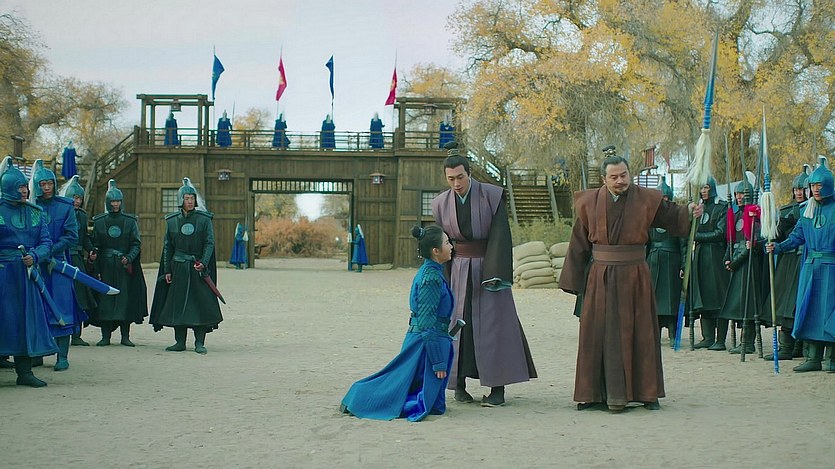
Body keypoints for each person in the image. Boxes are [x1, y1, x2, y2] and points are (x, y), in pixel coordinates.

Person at [559, 149, 703, 411]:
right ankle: (593, 394)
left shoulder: (647, 199)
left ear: (630, 175)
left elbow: (673, 216)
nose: (620, 181)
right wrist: (574, 280)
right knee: (597, 333)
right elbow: (578, 242)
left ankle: (647, 393)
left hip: (635, 275)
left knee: (641, 332)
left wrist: (689, 212)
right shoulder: (589, 202)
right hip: (600, 276)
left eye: (624, 175)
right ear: (604, 179)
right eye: (614, 177)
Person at [432, 141, 536, 407]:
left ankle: (497, 390)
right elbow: (442, 241)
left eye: (461, 177)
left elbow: (500, 234)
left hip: (489, 270)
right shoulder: (440, 203)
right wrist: (441, 273)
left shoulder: (492, 195)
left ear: (469, 173)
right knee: (457, 325)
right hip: (457, 269)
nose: (457, 183)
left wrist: (495, 273)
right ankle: (459, 386)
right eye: (451, 179)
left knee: (494, 327)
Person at [340, 225, 455, 421]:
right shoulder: (431, 278)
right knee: (402, 390)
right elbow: (427, 324)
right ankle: (360, 398)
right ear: (436, 251)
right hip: (424, 345)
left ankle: (359, 397)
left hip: (428, 340)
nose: (451, 246)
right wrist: (437, 361)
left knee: (418, 394)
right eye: (447, 243)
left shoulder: (433, 272)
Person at [766, 159, 835, 372]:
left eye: (819, 185)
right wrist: (777, 247)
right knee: (811, 310)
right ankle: (813, 358)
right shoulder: (807, 210)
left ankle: (832, 358)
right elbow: (796, 237)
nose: (815, 189)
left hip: (832, 267)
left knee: (830, 312)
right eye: (812, 185)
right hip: (811, 268)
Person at [0, 157, 59, 386]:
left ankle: (24, 372)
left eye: (25, 186)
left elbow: (46, 242)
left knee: (25, 320)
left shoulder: (35, 212)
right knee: (4, 319)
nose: (25, 191)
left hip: (26, 276)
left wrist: (34, 256)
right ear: (9, 188)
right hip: (3, 275)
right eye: (20, 187)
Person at [150, 178, 223, 354]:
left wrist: (203, 263)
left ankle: (199, 342)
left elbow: (209, 243)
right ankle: (180, 342)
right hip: (178, 268)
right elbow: (168, 247)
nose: (189, 201)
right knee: (178, 305)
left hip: (198, 269)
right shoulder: (172, 221)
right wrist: (167, 270)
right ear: (181, 200)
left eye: (192, 198)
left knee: (200, 305)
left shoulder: (204, 220)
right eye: (186, 198)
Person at [30, 159, 85, 371]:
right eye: (42, 184)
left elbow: (71, 236)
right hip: (35, 265)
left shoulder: (65, 207)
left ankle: (62, 356)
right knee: (37, 310)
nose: (46, 188)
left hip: (58, 265)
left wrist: (50, 251)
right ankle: (38, 354)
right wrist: (36, 254)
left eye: (50, 183)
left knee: (62, 308)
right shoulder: (30, 208)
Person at [89, 179, 148, 346]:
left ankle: (125, 336)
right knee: (105, 300)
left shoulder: (130, 221)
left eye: (118, 201)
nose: (115, 204)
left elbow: (136, 243)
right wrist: (94, 260)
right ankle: (105, 336)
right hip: (106, 266)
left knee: (124, 299)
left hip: (123, 267)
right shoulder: (100, 222)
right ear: (108, 202)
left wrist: (129, 257)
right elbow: (96, 245)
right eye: (113, 201)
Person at [762, 167, 809, 360]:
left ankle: (798, 346)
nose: (799, 192)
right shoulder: (786, 210)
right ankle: (786, 347)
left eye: (802, 189)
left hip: (804, 260)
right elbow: (777, 235)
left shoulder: (811, 210)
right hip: (787, 261)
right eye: (796, 189)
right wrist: (770, 231)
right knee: (784, 304)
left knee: (798, 304)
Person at [718, 180, 766, 355]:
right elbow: (731, 241)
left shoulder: (754, 216)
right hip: (738, 263)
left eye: (742, 194)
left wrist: (735, 262)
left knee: (748, 303)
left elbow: (750, 244)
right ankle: (742, 341)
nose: (739, 197)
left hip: (749, 265)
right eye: (737, 194)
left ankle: (748, 342)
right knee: (739, 303)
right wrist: (727, 259)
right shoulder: (736, 215)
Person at [688, 176, 730, 350]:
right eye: (701, 188)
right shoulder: (698, 209)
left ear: (712, 188)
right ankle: (708, 337)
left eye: (706, 187)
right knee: (703, 296)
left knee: (718, 297)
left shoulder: (722, 208)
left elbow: (720, 233)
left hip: (715, 256)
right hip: (700, 257)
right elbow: (690, 229)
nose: (703, 191)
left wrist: (697, 237)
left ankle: (720, 340)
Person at [646, 175, 686, 343]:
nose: (663, 201)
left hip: (671, 262)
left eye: (665, 198)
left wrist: (684, 265)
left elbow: (683, 245)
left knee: (671, 300)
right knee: (653, 300)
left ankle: (673, 333)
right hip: (653, 262)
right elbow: (645, 243)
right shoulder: (649, 217)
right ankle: (654, 333)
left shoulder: (676, 217)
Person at [60, 175, 96, 346]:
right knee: (64, 296)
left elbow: (84, 237)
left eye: (79, 198)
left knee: (80, 297)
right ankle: (61, 335)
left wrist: (91, 250)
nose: (77, 201)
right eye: (74, 197)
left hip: (78, 259)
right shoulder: (60, 213)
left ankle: (77, 335)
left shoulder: (82, 215)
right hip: (64, 258)